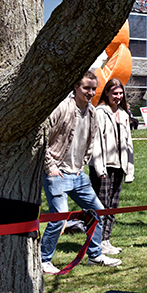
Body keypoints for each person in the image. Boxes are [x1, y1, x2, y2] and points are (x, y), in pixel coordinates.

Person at [40, 71, 122, 274]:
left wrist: (83, 164)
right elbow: (40, 137)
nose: (90, 92)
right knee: (59, 218)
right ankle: (43, 260)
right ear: (75, 87)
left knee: (98, 212)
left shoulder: (92, 112)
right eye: (86, 88)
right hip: (57, 173)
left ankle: (94, 256)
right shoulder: (62, 108)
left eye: (94, 89)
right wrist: (50, 167)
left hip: (78, 175)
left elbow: (90, 141)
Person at [89, 78, 135, 256]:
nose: (118, 96)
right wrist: (99, 168)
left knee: (113, 205)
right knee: (102, 204)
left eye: (120, 93)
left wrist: (129, 168)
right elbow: (96, 141)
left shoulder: (124, 113)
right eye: (114, 93)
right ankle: (97, 241)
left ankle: (106, 240)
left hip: (119, 165)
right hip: (103, 166)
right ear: (106, 93)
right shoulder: (99, 112)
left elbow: (128, 143)